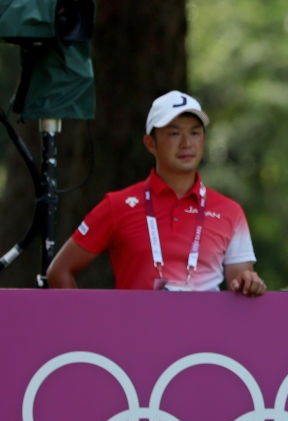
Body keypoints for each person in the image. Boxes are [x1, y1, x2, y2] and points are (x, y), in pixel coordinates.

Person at [47, 90, 266, 296]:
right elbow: (59, 271)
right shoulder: (118, 205)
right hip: (136, 336)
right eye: (174, 133)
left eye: (195, 132)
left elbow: (239, 284)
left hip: (205, 336)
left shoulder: (230, 211)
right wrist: (85, 328)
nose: (186, 143)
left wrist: (249, 283)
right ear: (150, 143)